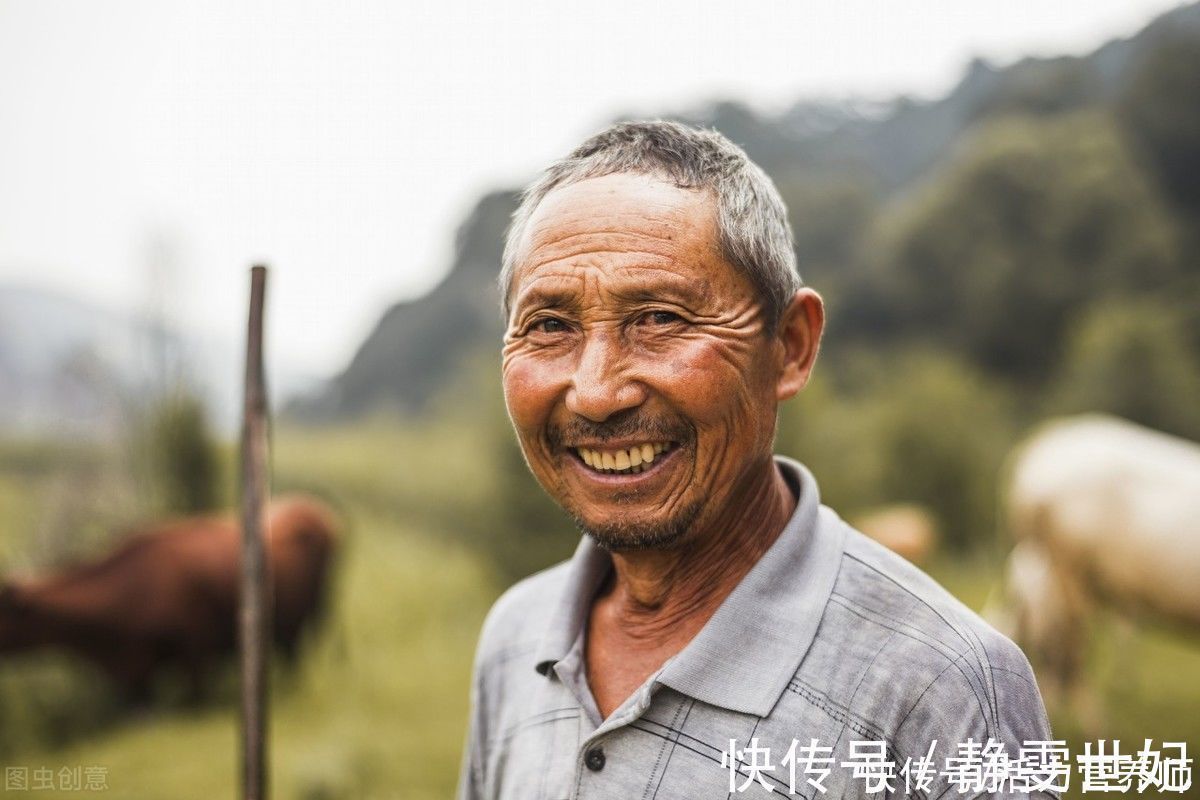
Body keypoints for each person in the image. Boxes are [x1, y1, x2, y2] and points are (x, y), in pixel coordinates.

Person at [458, 121, 1058, 799]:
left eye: (658, 318)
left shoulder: (944, 684)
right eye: (550, 326)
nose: (596, 393)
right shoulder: (517, 637)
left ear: (791, 347)